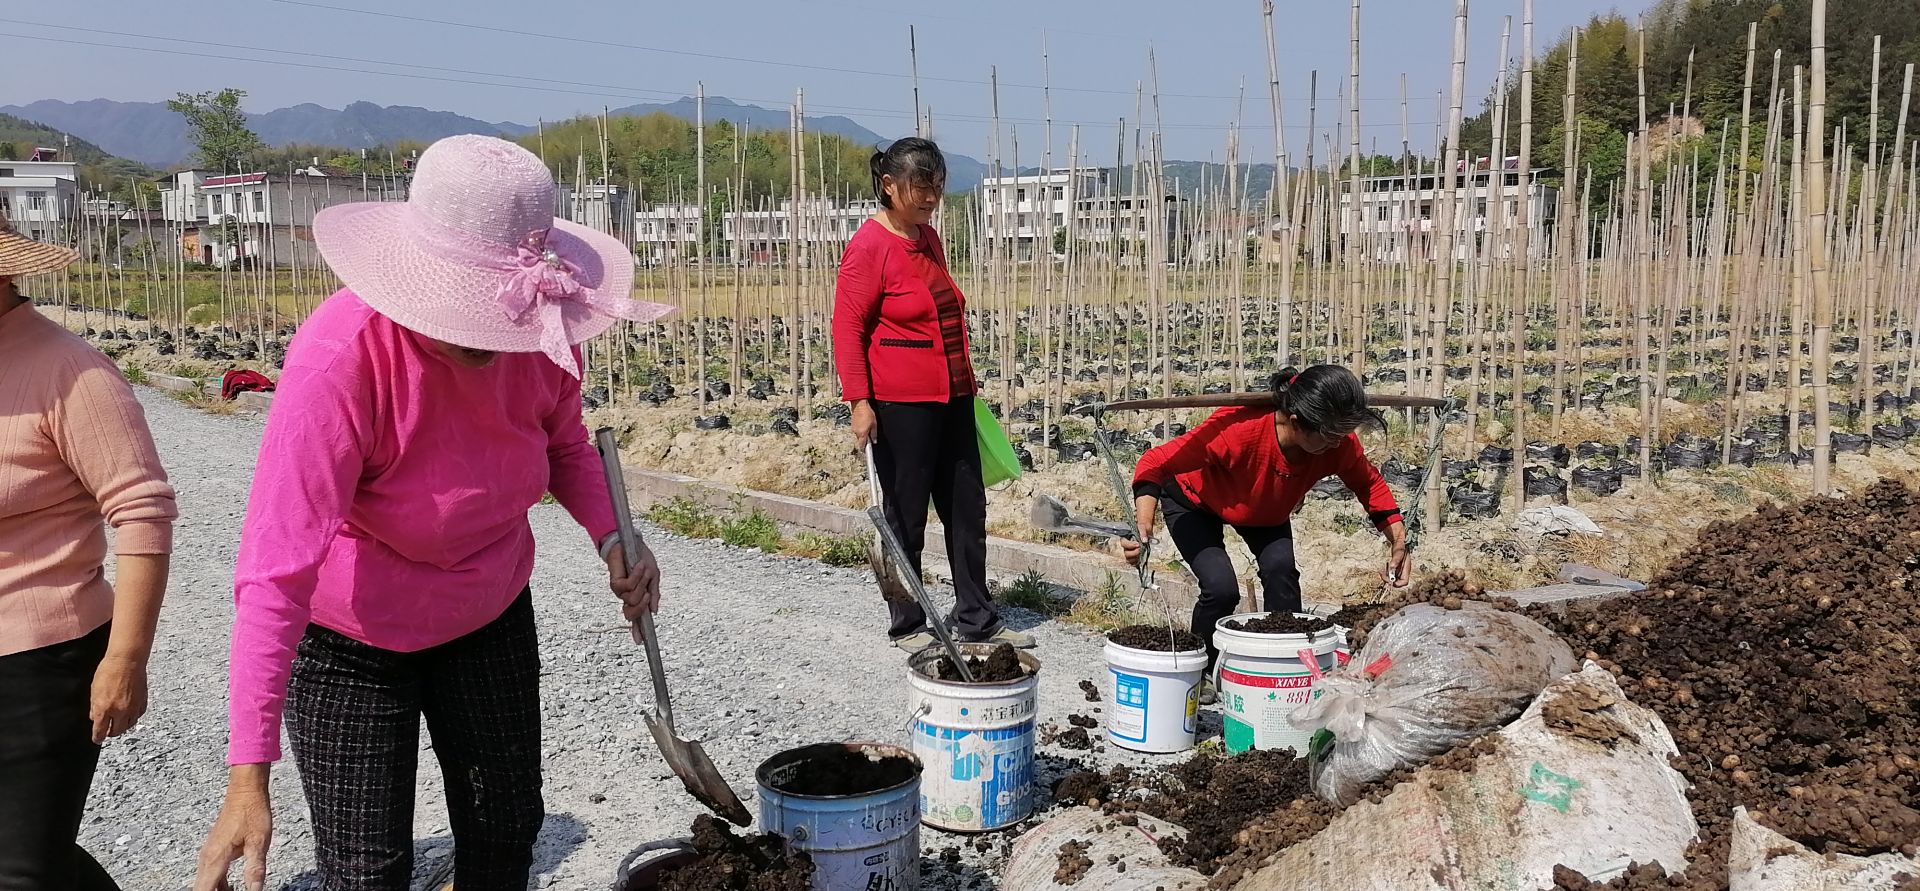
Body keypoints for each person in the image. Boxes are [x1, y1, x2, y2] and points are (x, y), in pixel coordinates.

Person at [192, 135, 675, 891]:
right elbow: (275, 572)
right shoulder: (343, 359)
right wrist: (247, 777)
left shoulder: (541, 332)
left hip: (487, 613)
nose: (487, 335)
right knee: (367, 870)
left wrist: (614, 532)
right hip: (351, 641)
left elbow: (568, 447)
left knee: (505, 827)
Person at [0, 215, 176, 889]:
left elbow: (142, 514)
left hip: (43, 661)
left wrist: (126, 658)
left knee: (22, 867)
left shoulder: (73, 374)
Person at [832, 137, 1032, 652]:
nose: (930, 196)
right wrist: (859, 400)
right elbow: (847, 328)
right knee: (906, 514)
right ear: (889, 185)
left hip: (953, 396)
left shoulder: (928, 238)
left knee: (967, 509)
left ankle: (977, 619)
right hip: (901, 403)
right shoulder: (869, 247)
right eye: (921, 186)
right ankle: (907, 621)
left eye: (937, 186)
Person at [1126, 366, 1410, 686]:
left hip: (1264, 509)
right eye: (1330, 436)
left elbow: (1370, 486)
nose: (1338, 444)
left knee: (1281, 573)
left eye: (1343, 435)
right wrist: (1143, 529)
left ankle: (1286, 667)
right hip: (1195, 501)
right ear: (1296, 421)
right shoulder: (1237, 430)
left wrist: (1398, 540)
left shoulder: (1336, 444)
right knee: (1221, 589)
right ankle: (1203, 672)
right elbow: (1154, 463)